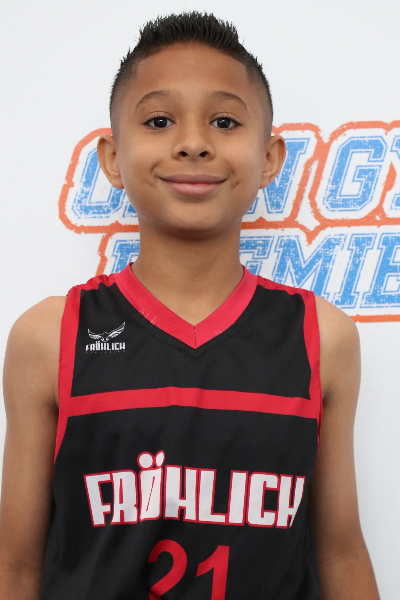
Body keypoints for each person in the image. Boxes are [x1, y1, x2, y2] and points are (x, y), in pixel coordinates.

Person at [0, 11, 380, 600]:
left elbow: (341, 552)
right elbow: (16, 565)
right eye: (159, 120)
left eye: (225, 121)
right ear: (112, 158)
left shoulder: (321, 337)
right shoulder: (51, 336)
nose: (194, 143)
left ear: (270, 158)